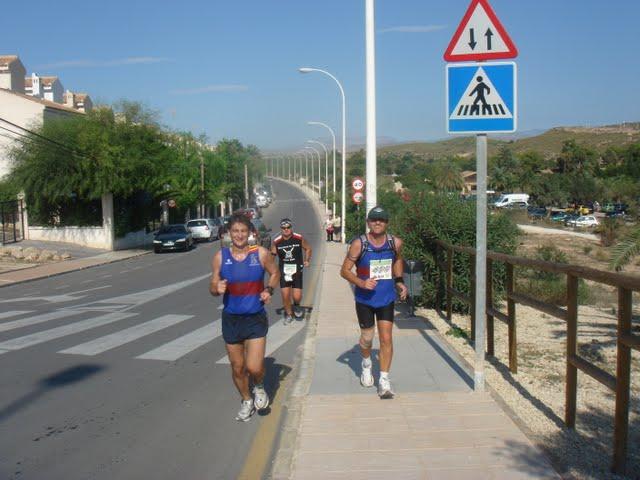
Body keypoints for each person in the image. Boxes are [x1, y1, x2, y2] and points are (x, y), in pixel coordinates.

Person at [210, 213, 280, 422]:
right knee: (237, 367)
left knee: (254, 367)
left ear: (250, 233)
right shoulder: (220, 257)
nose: (239, 235)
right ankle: (246, 399)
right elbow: (213, 286)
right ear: (229, 234)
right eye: (235, 231)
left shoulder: (260, 254)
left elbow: (275, 273)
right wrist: (216, 288)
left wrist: (269, 290)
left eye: (243, 231)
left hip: (255, 317)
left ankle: (258, 386)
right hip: (231, 319)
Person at [340, 206, 408, 398]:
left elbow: (398, 260)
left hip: (386, 297)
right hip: (364, 299)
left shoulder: (395, 243)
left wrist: (400, 281)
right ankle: (367, 363)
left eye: (382, 219)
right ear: (368, 223)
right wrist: (361, 282)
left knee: (386, 338)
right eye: (374, 220)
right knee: (367, 338)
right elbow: (344, 271)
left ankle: (384, 380)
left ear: (387, 223)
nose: (378, 223)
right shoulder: (359, 244)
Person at [271, 218, 312, 325]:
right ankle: (289, 315)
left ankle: (297, 305)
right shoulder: (277, 241)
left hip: (297, 270)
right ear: (281, 229)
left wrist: (307, 260)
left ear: (291, 227)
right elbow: (272, 256)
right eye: (284, 228)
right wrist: (271, 268)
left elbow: (308, 248)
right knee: (285, 295)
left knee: (297, 296)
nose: (286, 230)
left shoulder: (298, 238)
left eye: (288, 227)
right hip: (284, 272)